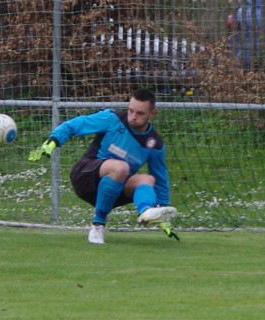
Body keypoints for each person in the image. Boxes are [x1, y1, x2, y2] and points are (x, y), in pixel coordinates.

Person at [28, 88, 178, 245]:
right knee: (121, 167)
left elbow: (160, 181)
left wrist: (163, 213)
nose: (133, 117)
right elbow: (76, 124)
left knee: (148, 179)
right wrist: (52, 142)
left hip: (113, 192)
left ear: (152, 114)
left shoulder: (155, 144)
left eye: (140, 113)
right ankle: (98, 225)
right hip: (85, 177)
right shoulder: (112, 119)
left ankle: (147, 212)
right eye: (130, 111)